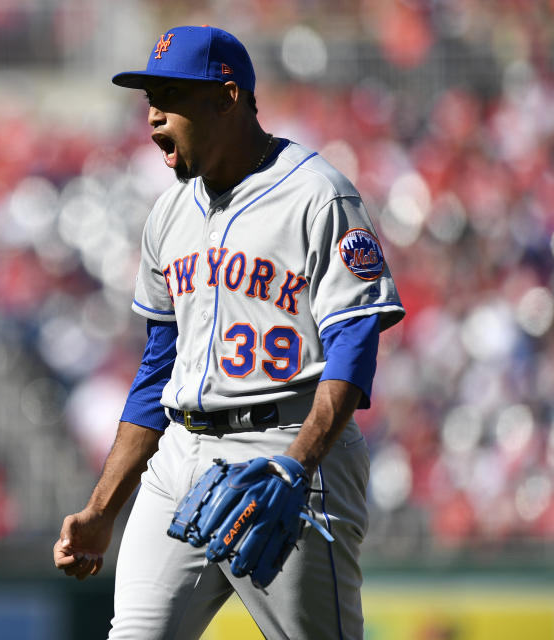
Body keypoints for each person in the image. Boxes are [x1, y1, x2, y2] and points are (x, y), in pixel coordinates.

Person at [52, 25, 405, 639]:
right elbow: (157, 371)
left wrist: (297, 468)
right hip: (180, 457)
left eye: (170, 95)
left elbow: (354, 347)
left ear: (226, 96)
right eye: (149, 98)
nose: (154, 114)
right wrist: (102, 508)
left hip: (289, 451)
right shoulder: (167, 215)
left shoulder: (319, 196)